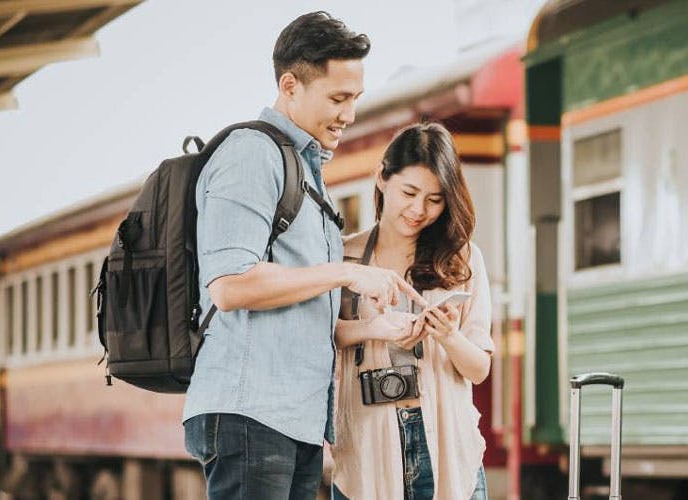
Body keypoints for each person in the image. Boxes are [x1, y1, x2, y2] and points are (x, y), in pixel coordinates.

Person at [181, 11, 423, 499]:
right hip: (252, 412)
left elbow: (298, 308)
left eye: (355, 99)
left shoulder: (307, 173)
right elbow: (231, 285)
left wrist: (375, 327)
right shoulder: (252, 155)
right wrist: (343, 275)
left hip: (296, 418)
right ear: (290, 85)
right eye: (338, 98)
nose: (349, 115)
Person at [330, 123, 494, 500]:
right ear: (382, 178)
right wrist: (373, 329)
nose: (419, 210)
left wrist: (449, 336)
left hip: (446, 445)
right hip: (368, 449)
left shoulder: (462, 259)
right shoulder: (345, 258)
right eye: (409, 192)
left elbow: (478, 368)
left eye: (435, 200)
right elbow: (322, 334)